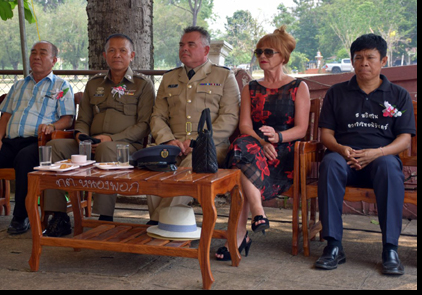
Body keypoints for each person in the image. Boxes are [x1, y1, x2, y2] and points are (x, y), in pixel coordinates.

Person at [314, 34, 415, 275]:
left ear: (383, 61)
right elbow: (326, 135)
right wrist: (341, 149)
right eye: (358, 58)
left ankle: (390, 249)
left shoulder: (398, 95)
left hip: (381, 159)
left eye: (370, 58)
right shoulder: (337, 92)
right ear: (352, 61)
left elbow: (404, 138)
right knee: (329, 164)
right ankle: (334, 246)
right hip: (344, 158)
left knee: (390, 167)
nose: (364, 63)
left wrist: (378, 152)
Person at [41, 34, 155, 237]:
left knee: (106, 148)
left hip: (126, 148)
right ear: (104, 55)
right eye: (111, 50)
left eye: (122, 51)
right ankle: (58, 216)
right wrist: (81, 136)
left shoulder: (142, 85)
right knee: (54, 146)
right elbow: (83, 119)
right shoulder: (94, 84)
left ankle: (104, 218)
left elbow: (145, 125)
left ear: (132, 56)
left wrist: (111, 139)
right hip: (89, 144)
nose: (116, 55)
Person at [0, 41, 75, 235]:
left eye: (42, 53)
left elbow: (67, 119)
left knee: (25, 158)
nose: (36, 56)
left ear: (54, 60)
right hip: (10, 142)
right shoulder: (19, 85)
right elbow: (6, 115)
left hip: (38, 143)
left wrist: (53, 126)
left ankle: (21, 216)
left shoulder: (62, 86)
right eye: (33, 52)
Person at [216, 26, 310, 261]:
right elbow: (245, 125)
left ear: (283, 56)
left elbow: (301, 129)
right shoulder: (251, 88)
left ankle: (238, 237)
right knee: (242, 146)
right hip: (254, 147)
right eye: (259, 52)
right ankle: (257, 213)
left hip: (283, 154)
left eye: (269, 52)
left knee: (241, 166)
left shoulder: (299, 87)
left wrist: (277, 138)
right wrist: (261, 140)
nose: (262, 57)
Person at [147, 26, 240, 223]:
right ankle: (166, 223)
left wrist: (197, 142)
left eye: (191, 45)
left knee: (190, 168)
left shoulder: (223, 76)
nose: (184, 49)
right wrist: (168, 140)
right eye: (182, 45)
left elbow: (229, 117)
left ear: (206, 50)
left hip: (209, 146)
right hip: (172, 144)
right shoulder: (169, 78)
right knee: (154, 164)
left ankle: (159, 222)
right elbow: (158, 117)